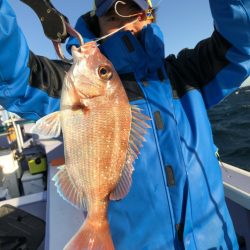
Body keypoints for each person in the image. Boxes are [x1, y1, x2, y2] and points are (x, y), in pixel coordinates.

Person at [0, 0, 249, 249]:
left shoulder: (187, 73)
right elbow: (16, 78)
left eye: (136, 13)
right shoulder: (70, 83)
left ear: (151, 16)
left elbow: (241, 42)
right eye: (112, 17)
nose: (127, 24)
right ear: (97, 27)